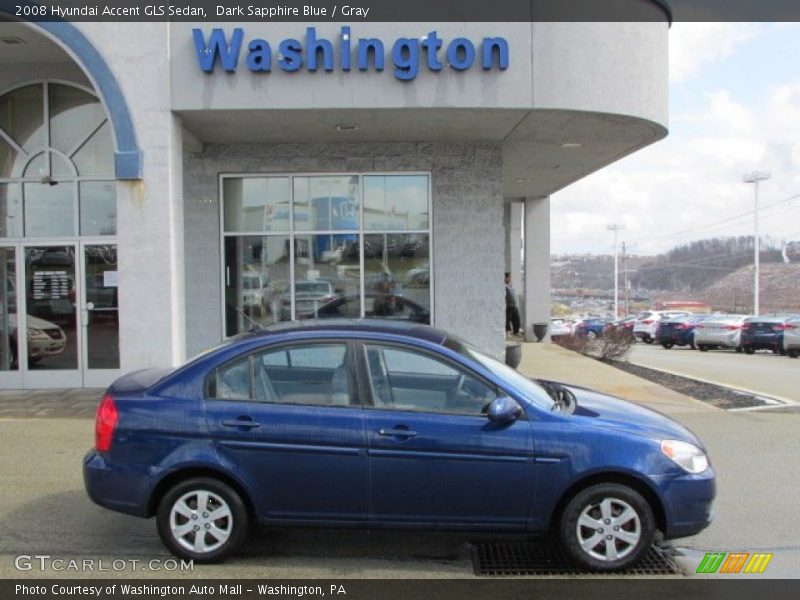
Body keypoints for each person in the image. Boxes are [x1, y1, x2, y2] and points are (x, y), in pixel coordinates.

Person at [505, 272, 521, 337]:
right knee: (507, 320)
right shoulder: (504, 286)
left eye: (510, 277)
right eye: (509, 277)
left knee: (517, 319)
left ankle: (516, 332)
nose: (510, 278)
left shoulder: (510, 285)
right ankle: (508, 332)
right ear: (505, 278)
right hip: (508, 306)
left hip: (514, 305)